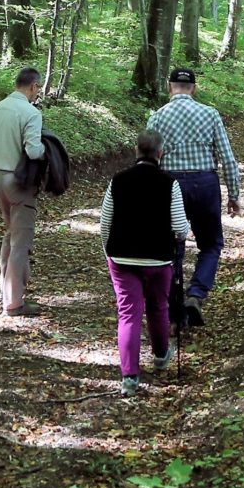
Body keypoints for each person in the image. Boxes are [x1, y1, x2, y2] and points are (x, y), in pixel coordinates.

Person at [146, 68, 241, 326]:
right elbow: (227, 158)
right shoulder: (210, 114)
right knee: (210, 244)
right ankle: (196, 294)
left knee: (170, 245)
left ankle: (173, 302)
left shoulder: (157, 117)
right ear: (194, 88)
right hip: (205, 183)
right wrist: (234, 194)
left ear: (169, 86)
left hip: (169, 185)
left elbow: (148, 161)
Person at [101, 130, 190, 396]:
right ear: (160, 153)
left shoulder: (117, 180)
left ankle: (130, 377)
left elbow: (105, 223)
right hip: (159, 259)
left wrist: (109, 252)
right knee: (158, 307)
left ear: (136, 150)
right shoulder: (169, 183)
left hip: (121, 258)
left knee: (128, 313)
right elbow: (180, 227)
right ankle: (161, 355)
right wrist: (181, 235)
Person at [0, 67, 46, 316]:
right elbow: (33, 151)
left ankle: (5, 292)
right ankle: (14, 302)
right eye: (38, 88)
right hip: (19, 182)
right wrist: (48, 153)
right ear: (33, 86)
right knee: (21, 241)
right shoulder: (30, 112)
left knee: (10, 234)